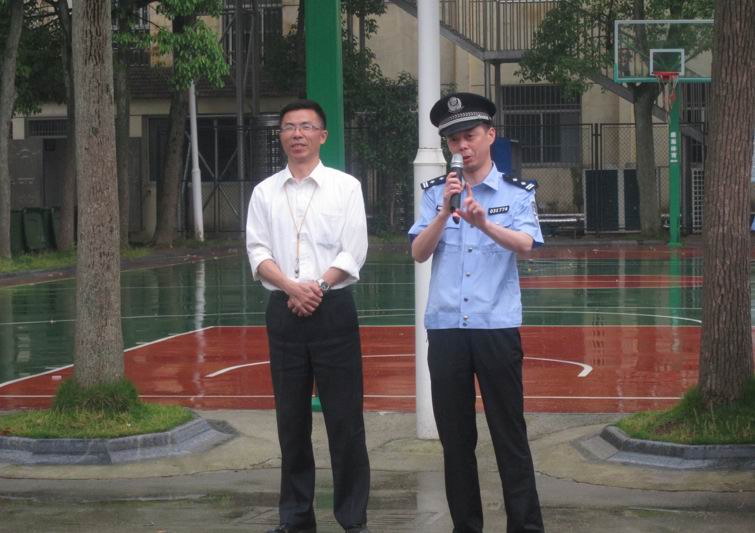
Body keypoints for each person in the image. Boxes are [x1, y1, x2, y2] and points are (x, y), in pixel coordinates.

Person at [408, 92, 545, 533]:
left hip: (495, 327)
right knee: (456, 441)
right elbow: (418, 252)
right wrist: (444, 214)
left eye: (469, 136)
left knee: (509, 435)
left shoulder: (516, 192)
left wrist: (483, 222)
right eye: (454, 140)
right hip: (447, 329)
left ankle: (525, 526)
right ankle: (466, 526)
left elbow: (526, 245)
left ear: (490, 135)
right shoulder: (435, 193)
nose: (462, 146)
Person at [246, 99, 371, 533]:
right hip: (284, 310)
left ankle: (353, 519)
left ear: (323, 135)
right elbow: (257, 250)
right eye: (288, 127)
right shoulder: (264, 192)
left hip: (332, 308)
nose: (296, 134)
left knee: (345, 421)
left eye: (305, 126)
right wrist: (291, 287)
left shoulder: (346, 187)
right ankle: (296, 517)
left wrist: (316, 287)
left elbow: (353, 250)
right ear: (280, 136)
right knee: (291, 421)